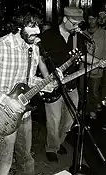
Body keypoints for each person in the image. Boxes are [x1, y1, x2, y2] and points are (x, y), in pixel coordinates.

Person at [0, 5, 54, 175]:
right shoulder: (0, 46)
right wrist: (7, 100)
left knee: (26, 158)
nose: (38, 30)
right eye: (32, 25)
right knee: (3, 162)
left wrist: (45, 83)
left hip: (24, 113)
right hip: (2, 113)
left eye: (38, 26)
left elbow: (29, 78)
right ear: (20, 26)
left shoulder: (33, 48)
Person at [40, 6, 94, 162]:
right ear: (65, 19)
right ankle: (51, 147)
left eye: (79, 24)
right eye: (74, 23)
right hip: (53, 85)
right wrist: (47, 79)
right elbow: (40, 59)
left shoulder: (77, 37)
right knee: (54, 120)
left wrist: (98, 62)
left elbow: (84, 56)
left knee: (70, 120)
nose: (77, 27)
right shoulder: (49, 35)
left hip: (72, 84)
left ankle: (59, 142)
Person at [80, 10, 106, 119]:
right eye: (89, 19)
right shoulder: (82, 33)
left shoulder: (104, 33)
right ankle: (83, 108)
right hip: (83, 68)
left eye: (93, 18)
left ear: (97, 19)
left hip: (97, 67)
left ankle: (92, 109)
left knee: (94, 91)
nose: (91, 21)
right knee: (82, 90)